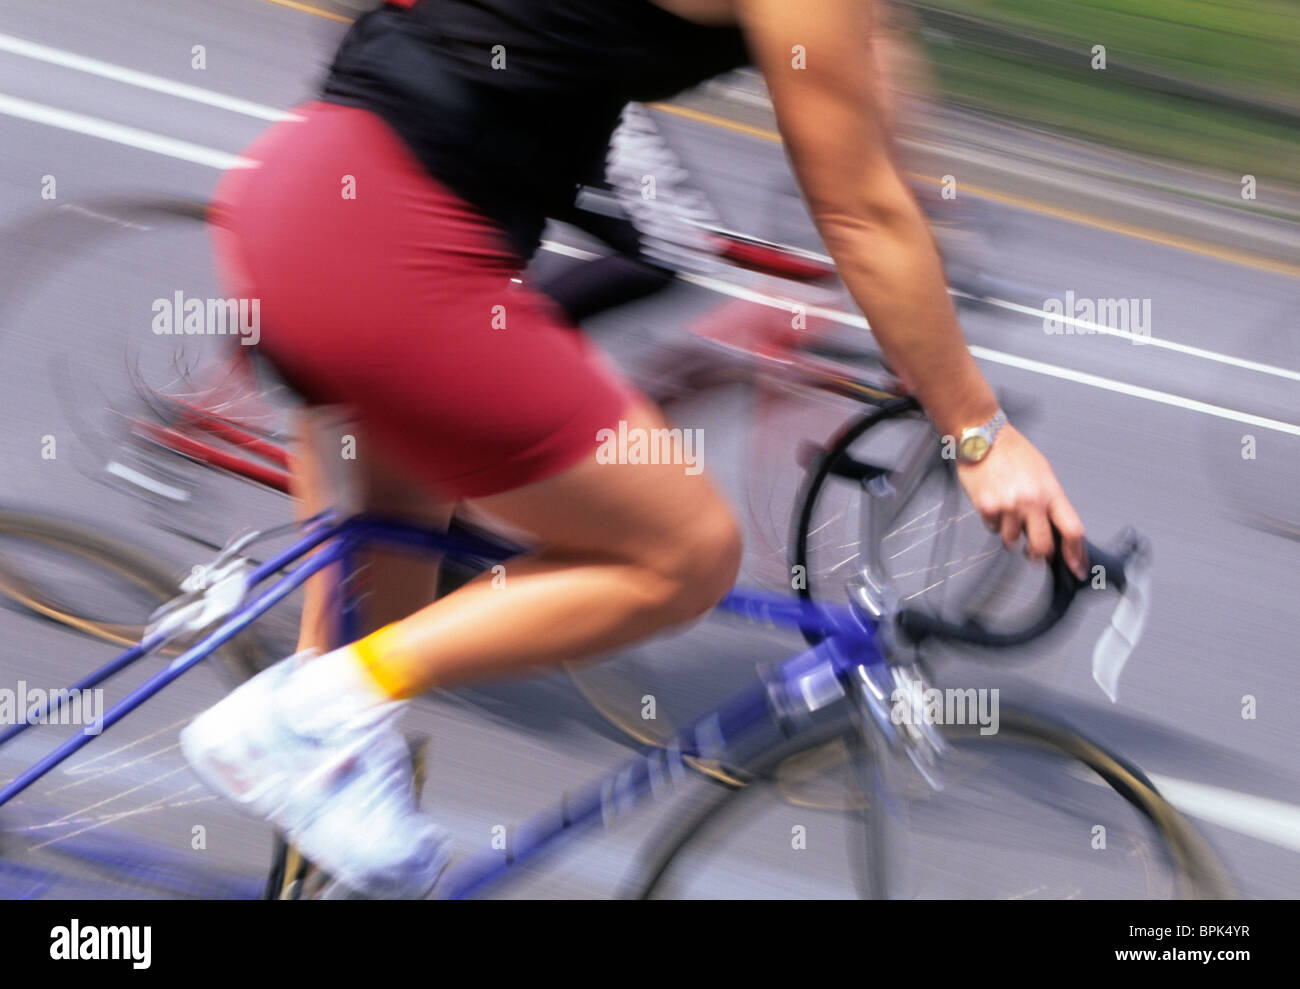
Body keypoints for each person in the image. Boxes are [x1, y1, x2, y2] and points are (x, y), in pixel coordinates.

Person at [181, 0, 1088, 898]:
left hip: (313, 189)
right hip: (393, 251)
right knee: (682, 553)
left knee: (361, 701)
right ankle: (301, 718)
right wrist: (978, 433)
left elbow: (878, 71)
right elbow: (860, 214)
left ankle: (316, 740)